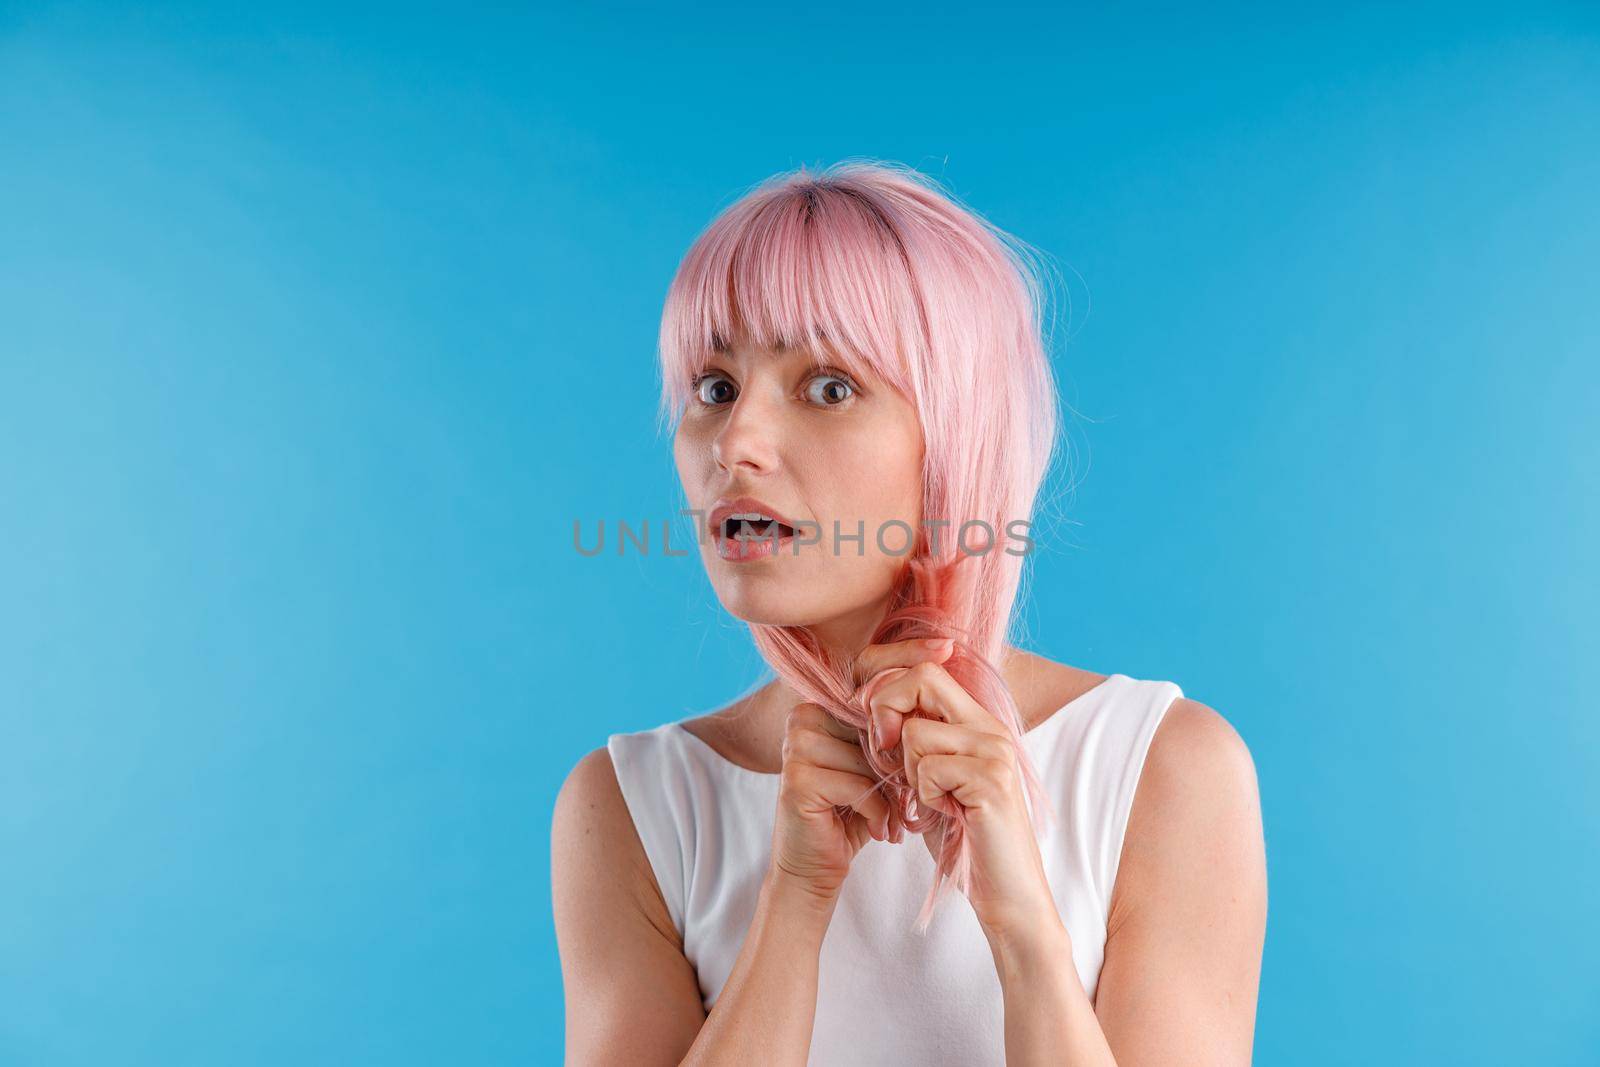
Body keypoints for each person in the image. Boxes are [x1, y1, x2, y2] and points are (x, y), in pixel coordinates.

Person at [552, 160, 1267, 1065]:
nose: (735, 442)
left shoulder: (1166, 770)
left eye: (828, 387)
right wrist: (794, 898)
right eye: (714, 387)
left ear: (957, 435)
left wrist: (1023, 930)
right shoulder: (630, 806)